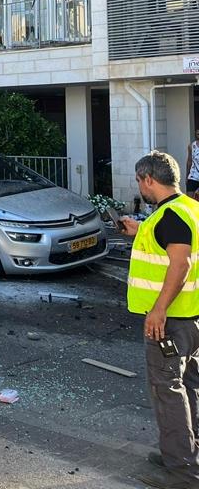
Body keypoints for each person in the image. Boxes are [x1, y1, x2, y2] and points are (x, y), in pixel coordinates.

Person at [122, 151, 199, 489]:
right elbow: (174, 245)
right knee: (188, 385)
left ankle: (183, 472)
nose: (140, 187)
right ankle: (186, 452)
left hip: (171, 323)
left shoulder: (170, 216)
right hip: (192, 318)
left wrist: (158, 310)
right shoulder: (189, 208)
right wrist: (140, 230)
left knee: (167, 390)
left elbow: (180, 264)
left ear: (149, 180)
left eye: (140, 182)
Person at [186, 130, 199, 200]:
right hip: (193, 176)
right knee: (189, 199)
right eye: (197, 133)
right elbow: (189, 161)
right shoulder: (191, 146)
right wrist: (187, 176)